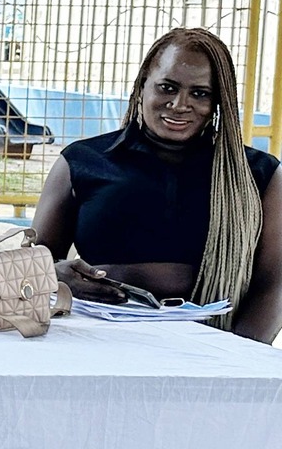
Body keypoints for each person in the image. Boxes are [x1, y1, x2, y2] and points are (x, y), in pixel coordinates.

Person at [33, 26, 282, 340]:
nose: (179, 104)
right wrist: (56, 274)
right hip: (92, 339)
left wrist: (240, 356)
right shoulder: (82, 161)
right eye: (167, 87)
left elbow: (274, 283)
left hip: (209, 345)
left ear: (218, 102)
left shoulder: (257, 174)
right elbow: (32, 262)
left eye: (200, 94)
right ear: (142, 86)